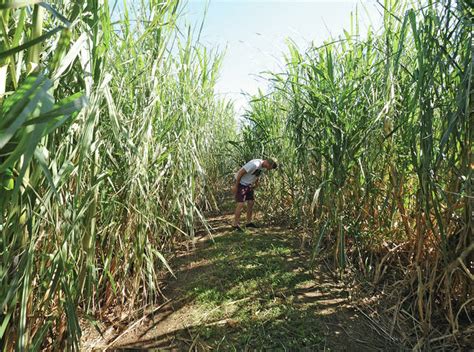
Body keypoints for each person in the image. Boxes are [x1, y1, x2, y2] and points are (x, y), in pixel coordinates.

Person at [231, 158, 277, 231]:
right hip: (241, 183)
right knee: (241, 204)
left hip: (248, 185)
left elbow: (257, 174)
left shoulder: (262, 167)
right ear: (267, 163)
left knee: (251, 202)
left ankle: (248, 223)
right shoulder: (254, 164)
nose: (269, 169)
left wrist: (256, 183)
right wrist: (236, 186)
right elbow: (241, 173)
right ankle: (235, 225)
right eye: (269, 168)